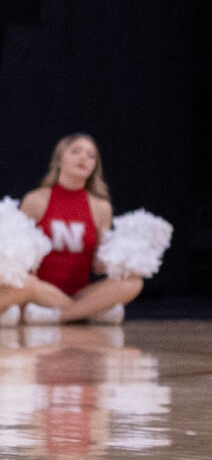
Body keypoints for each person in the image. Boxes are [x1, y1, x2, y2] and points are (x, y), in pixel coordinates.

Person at [0, 135, 141, 326]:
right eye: (75, 151)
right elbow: (18, 256)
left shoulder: (101, 207)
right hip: (40, 289)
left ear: (94, 166)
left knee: (134, 282)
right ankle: (91, 311)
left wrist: (115, 260)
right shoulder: (35, 200)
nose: (83, 158)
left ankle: (61, 315)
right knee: (25, 283)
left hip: (80, 292)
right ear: (59, 159)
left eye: (91, 155)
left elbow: (98, 265)